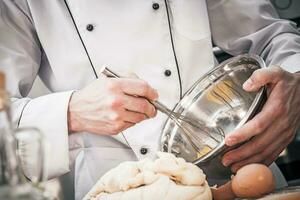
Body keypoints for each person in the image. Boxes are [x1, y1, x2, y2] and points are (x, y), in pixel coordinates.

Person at [0, 0, 299, 199]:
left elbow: (272, 36)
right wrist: (71, 112)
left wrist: (295, 82)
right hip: (118, 188)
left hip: (232, 171)